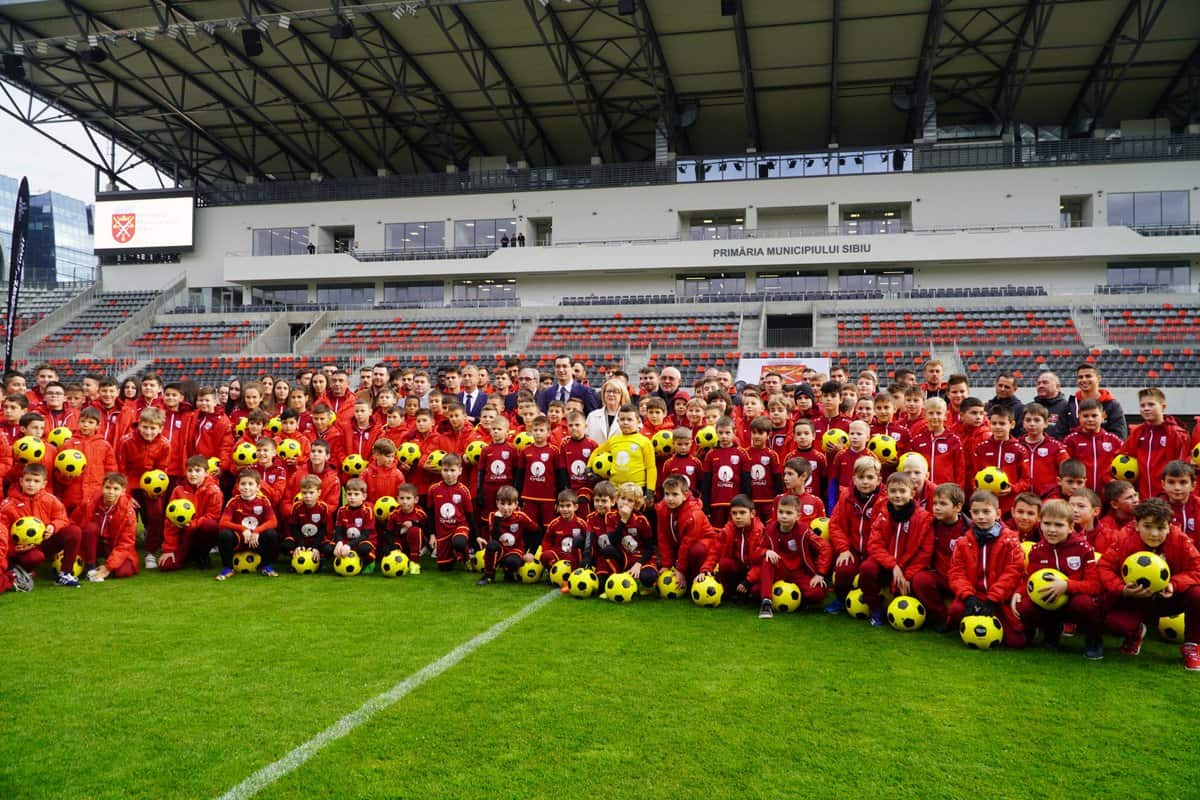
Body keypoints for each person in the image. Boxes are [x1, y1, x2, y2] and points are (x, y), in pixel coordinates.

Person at [1098, 498, 1200, 670]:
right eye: (1148, 526)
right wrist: (1122, 589)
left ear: (1169, 527)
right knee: (1115, 623)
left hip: (1167, 599)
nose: (1154, 534)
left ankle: (1192, 646)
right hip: (1134, 599)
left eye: (1161, 528)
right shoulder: (1124, 538)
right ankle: (1135, 632)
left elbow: (1197, 569)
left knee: (1197, 594)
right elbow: (1104, 567)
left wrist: (1173, 585)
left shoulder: (1180, 540)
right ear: (1136, 525)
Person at [1014, 499, 1104, 658]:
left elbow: (1094, 585)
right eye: (1047, 524)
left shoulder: (1084, 549)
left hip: (1074, 599)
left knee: (1086, 604)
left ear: (1070, 527)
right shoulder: (1037, 550)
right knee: (1023, 605)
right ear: (1040, 523)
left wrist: (1066, 586)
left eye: (1059, 525)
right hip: (1048, 600)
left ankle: (1093, 640)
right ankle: (1049, 633)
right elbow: (1031, 578)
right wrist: (1019, 592)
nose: (1052, 530)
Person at [947, 490, 1027, 648]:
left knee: (1016, 642)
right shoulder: (963, 542)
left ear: (998, 513)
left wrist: (993, 600)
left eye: (986, 512)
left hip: (999, 599)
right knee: (956, 610)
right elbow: (956, 573)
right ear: (970, 513)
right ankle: (966, 625)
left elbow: (1013, 573)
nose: (981, 517)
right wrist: (968, 597)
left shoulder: (1011, 541)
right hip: (975, 595)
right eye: (976, 512)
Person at [859, 472, 933, 626]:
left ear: (912, 493)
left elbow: (925, 553)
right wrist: (893, 566)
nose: (897, 495)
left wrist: (906, 573)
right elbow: (874, 545)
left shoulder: (924, 518)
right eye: (893, 491)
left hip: (910, 568)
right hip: (888, 566)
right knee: (867, 568)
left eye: (902, 491)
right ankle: (875, 609)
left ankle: (931, 615)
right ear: (887, 493)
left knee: (920, 582)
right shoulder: (883, 514)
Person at [0, 463, 84, 588]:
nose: (31, 484)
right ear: (21, 481)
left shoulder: (50, 499)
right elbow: (2, 532)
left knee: (74, 531)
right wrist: (14, 548)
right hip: (23, 548)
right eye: (28, 480)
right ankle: (22, 571)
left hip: (45, 542)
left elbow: (62, 518)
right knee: (34, 557)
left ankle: (65, 574)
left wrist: (53, 526)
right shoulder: (8, 505)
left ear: (43, 484)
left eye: (36, 481)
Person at [756, 494, 832, 619]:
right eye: (781, 512)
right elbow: (757, 549)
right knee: (766, 561)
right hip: (779, 570)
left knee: (818, 593)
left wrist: (820, 573)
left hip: (799, 572)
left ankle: (794, 600)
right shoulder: (769, 530)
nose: (784, 516)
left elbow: (825, 547)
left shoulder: (804, 531)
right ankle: (766, 603)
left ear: (798, 516)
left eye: (789, 513)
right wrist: (765, 551)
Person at [116, 407, 171, 570]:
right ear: (139, 425)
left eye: (153, 428)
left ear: (160, 428)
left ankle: (150, 552)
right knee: (125, 518)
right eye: (145, 427)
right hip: (130, 487)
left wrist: (156, 490)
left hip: (151, 488)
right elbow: (121, 469)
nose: (148, 431)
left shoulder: (164, 444)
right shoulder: (126, 441)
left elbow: (162, 469)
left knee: (155, 517)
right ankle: (123, 550)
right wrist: (126, 494)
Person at [826, 455, 882, 613]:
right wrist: (844, 549)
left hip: (876, 551)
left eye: (870, 477)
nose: (865, 481)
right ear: (854, 479)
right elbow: (835, 524)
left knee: (869, 569)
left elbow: (886, 531)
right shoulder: (846, 497)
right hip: (853, 549)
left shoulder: (884, 499)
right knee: (843, 569)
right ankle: (840, 600)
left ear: (878, 480)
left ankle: (875, 608)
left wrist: (877, 553)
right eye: (861, 477)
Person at [216, 469, 280, 580]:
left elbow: (273, 522)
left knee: (271, 534)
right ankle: (228, 568)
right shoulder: (233, 502)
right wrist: (243, 529)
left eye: (250, 484)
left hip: (256, 540)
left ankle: (266, 566)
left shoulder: (264, 501)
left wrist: (257, 531)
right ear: (238, 486)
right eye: (243, 484)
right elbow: (223, 522)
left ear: (258, 487)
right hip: (240, 539)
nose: (246, 487)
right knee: (224, 534)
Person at [74, 472, 139, 582]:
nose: (111, 492)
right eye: (107, 487)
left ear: (123, 491)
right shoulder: (89, 502)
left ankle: (102, 568)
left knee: (123, 571)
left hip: (114, 546)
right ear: (102, 488)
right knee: (90, 528)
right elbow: (73, 522)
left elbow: (126, 543)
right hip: (93, 545)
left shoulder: (128, 512)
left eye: (116, 489)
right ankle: (90, 564)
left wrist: (109, 567)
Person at [1055, 364, 1126, 440]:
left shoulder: (1112, 405)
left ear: (1098, 378)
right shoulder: (1069, 406)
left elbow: (1119, 435)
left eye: (1088, 376)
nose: (1084, 380)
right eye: (1080, 377)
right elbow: (1060, 435)